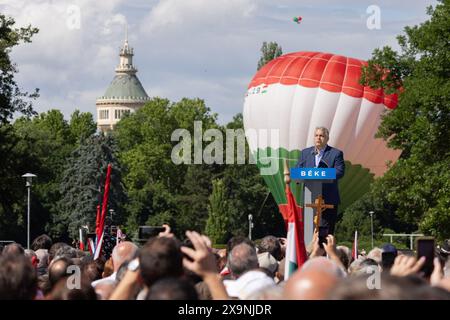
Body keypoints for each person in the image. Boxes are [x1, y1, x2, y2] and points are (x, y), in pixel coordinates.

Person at [296, 126, 345, 235]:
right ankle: (309, 252)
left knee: (324, 234)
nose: (318, 138)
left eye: (321, 136)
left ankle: (323, 252)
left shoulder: (336, 153)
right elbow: (298, 171)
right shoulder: (305, 153)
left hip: (328, 199)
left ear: (327, 138)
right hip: (309, 198)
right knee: (308, 233)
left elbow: (340, 172)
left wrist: (320, 174)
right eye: (316, 135)